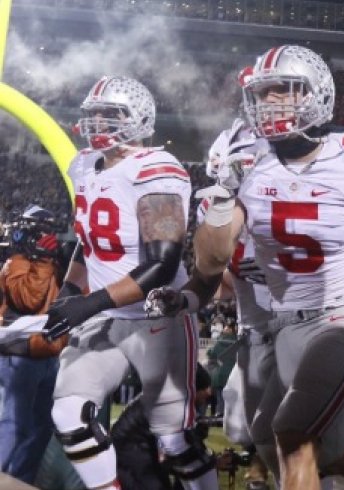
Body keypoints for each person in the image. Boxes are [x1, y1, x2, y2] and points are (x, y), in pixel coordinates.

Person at [151, 45, 344, 490]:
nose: (270, 104)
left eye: (283, 92)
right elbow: (211, 262)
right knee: (278, 442)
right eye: (262, 94)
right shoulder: (244, 158)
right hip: (281, 325)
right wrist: (224, 192)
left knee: (292, 434)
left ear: (316, 93)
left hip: (341, 314)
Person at [42, 75, 217, 489]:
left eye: (111, 115)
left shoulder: (154, 167)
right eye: (95, 115)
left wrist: (89, 303)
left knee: (174, 440)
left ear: (138, 118)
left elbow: (162, 262)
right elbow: (88, 245)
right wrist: (70, 291)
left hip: (157, 317)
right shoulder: (85, 165)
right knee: (68, 413)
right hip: (106, 315)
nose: (99, 123)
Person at [0, 205, 68, 485]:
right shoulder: (16, 260)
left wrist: (55, 260)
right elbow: (27, 299)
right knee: (14, 425)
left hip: (49, 352)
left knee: (41, 427)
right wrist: (41, 259)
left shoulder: (53, 261)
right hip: (21, 353)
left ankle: (19, 481)